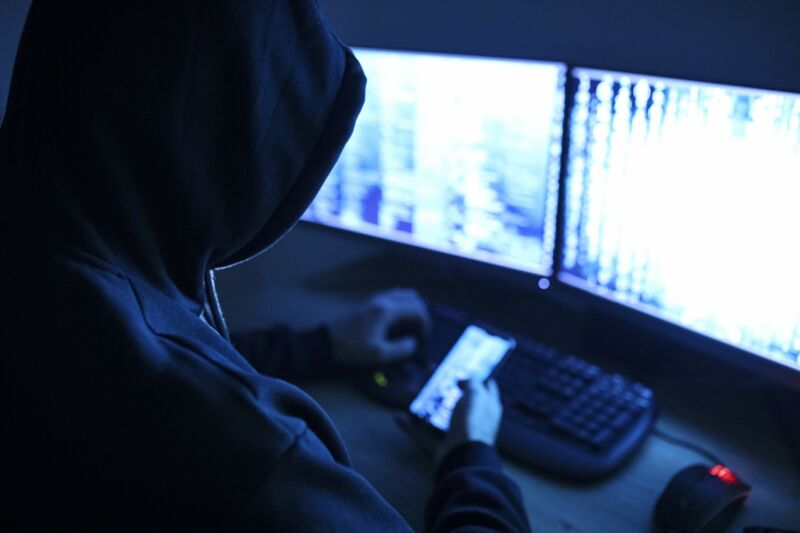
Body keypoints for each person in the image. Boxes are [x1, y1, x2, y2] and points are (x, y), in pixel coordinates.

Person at [0, 1, 529, 531]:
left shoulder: (43, 271)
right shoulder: (250, 457)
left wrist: (326, 344)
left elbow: (129, 355)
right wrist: (471, 456)